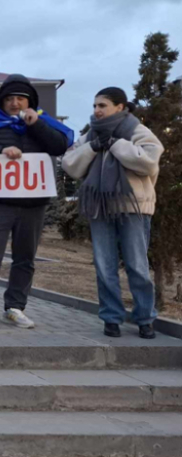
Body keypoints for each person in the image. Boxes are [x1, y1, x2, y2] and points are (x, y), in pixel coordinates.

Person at [0, 74, 73, 331]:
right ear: (1, 101)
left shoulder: (41, 122)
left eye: (21, 99)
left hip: (33, 203)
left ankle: (16, 307)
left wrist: (36, 125)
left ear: (30, 102)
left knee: (25, 258)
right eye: (9, 98)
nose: (15, 103)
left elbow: (59, 145)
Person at [62, 87, 163, 339]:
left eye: (102, 105)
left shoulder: (137, 130)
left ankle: (145, 318)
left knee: (137, 265)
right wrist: (93, 147)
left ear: (119, 107)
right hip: (100, 208)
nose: (97, 110)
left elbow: (149, 162)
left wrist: (117, 144)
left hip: (133, 207)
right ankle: (111, 318)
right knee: (104, 265)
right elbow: (69, 164)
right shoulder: (91, 134)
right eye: (95, 106)